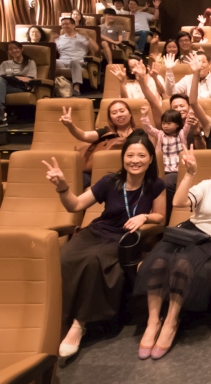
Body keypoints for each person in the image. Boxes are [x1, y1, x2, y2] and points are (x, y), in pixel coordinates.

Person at [43, 131, 166, 359]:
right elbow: (76, 205)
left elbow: (161, 216)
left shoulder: (155, 185)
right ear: (123, 158)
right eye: (130, 155)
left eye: (141, 155)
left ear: (150, 159)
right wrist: (62, 187)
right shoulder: (110, 181)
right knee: (66, 258)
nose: (135, 160)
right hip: (98, 231)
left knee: (94, 261)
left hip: (127, 237)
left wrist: (144, 217)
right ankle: (60, 319)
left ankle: (79, 325)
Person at [135, 146, 211, 359]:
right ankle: (153, 320)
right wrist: (190, 173)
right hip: (187, 232)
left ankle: (172, 321)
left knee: (183, 263)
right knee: (158, 262)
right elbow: (178, 202)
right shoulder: (207, 186)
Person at [61, 98, 137, 187]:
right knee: (73, 182)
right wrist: (70, 126)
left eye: (122, 111)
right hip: (98, 173)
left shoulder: (139, 134)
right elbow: (84, 135)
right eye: (114, 113)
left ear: (130, 113)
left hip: (126, 174)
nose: (119, 115)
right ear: (111, 118)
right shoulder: (106, 132)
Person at [139, 104, 191, 208]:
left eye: (169, 123)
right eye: (163, 123)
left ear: (177, 124)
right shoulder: (160, 134)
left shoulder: (182, 133)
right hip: (163, 167)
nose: (165, 126)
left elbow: (188, 123)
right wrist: (144, 116)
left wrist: (192, 109)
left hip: (179, 168)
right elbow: (148, 128)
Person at [0, 40, 37, 126]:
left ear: (21, 49)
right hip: (7, 86)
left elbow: (29, 79)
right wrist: (13, 78)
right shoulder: (5, 64)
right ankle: (0, 113)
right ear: (8, 51)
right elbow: (0, 79)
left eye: (16, 48)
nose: (14, 51)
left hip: (22, 87)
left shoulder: (30, 62)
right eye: (11, 49)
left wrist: (12, 77)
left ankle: (0, 113)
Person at [56, 16, 99, 96]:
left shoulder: (82, 37)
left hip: (78, 61)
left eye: (67, 24)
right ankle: (57, 87)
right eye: (63, 24)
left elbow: (96, 49)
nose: (65, 26)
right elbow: (51, 52)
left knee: (74, 61)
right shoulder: (59, 39)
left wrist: (88, 37)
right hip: (62, 62)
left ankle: (76, 87)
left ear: (74, 25)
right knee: (53, 62)